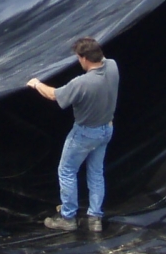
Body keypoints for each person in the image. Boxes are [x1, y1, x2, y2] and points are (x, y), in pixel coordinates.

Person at [26, 37, 118, 234]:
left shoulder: (82, 83)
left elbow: (53, 95)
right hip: (106, 130)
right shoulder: (112, 66)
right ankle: (95, 218)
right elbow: (103, 59)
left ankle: (68, 217)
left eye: (78, 57)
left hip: (85, 133)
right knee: (96, 172)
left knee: (66, 171)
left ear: (84, 58)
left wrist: (35, 84)